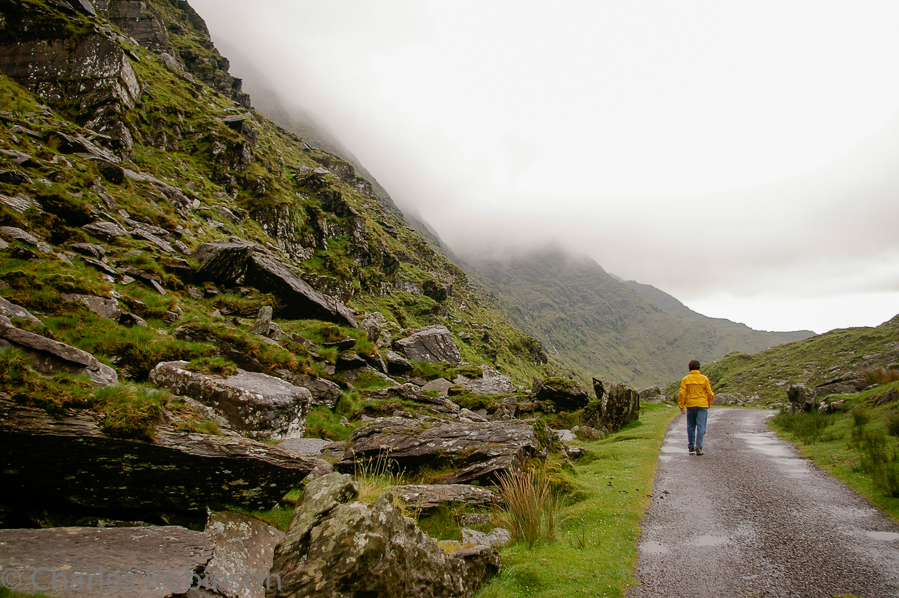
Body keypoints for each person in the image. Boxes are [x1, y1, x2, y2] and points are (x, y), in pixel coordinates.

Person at [678, 359, 714, 455]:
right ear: (699, 367)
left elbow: (681, 393)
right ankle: (699, 447)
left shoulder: (685, 379)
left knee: (690, 425)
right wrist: (709, 402)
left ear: (689, 368)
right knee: (701, 426)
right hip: (702, 405)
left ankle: (691, 445)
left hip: (691, 405)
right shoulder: (704, 379)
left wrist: (681, 405)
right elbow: (710, 393)